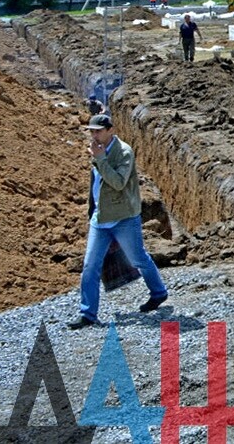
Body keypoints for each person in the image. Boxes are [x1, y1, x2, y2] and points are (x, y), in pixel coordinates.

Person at [68, 109, 169, 329]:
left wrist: (101, 160)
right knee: (90, 266)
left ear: (110, 130)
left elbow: (118, 182)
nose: (94, 136)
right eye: (92, 132)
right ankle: (88, 314)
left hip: (123, 217)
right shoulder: (99, 151)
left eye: (98, 132)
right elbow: (96, 186)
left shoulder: (123, 152)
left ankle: (159, 292)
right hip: (101, 218)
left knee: (138, 258)